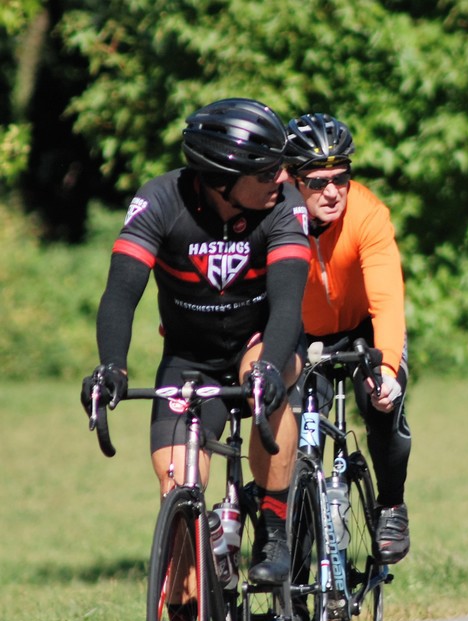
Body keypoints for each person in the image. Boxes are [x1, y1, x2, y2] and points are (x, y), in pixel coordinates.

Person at [81, 100, 309, 581]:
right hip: (188, 359)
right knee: (180, 492)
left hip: (259, 341)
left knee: (268, 383)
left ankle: (273, 525)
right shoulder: (161, 200)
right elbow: (121, 292)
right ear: (223, 177)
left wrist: (270, 364)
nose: (283, 177)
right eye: (268, 169)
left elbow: (289, 303)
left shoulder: (285, 205)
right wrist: (112, 366)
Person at [283, 112, 412, 564]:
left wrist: (389, 369)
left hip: (362, 330)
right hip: (301, 335)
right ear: (292, 180)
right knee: (295, 445)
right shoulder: (275, 215)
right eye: (318, 182)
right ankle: (294, 575)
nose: (333, 191)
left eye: (341, 177)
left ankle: (391, 504)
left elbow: (388, 298)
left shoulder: (368, 213)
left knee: (382, 402)